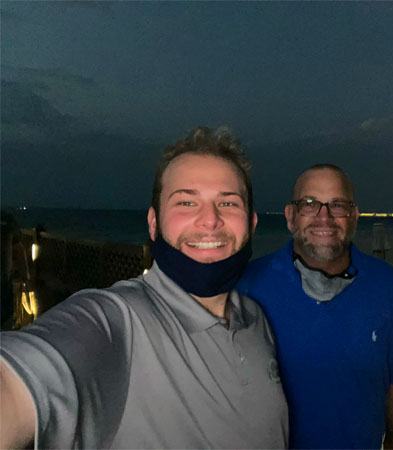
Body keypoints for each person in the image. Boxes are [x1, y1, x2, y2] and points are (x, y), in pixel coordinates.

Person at [0, 127, 288, 449]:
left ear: (251, 223)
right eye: (186, 202)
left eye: (229, 203)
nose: (210, 220)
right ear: (154, 223)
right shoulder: (118, 320)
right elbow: (20, 380)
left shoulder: (255, 319)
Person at [237, 164, 393, 449]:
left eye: (337, 205)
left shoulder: (387, 285)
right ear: (291, 217)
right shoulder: (249, 286)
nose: (324, 218)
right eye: (310, 204)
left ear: (353, 217)